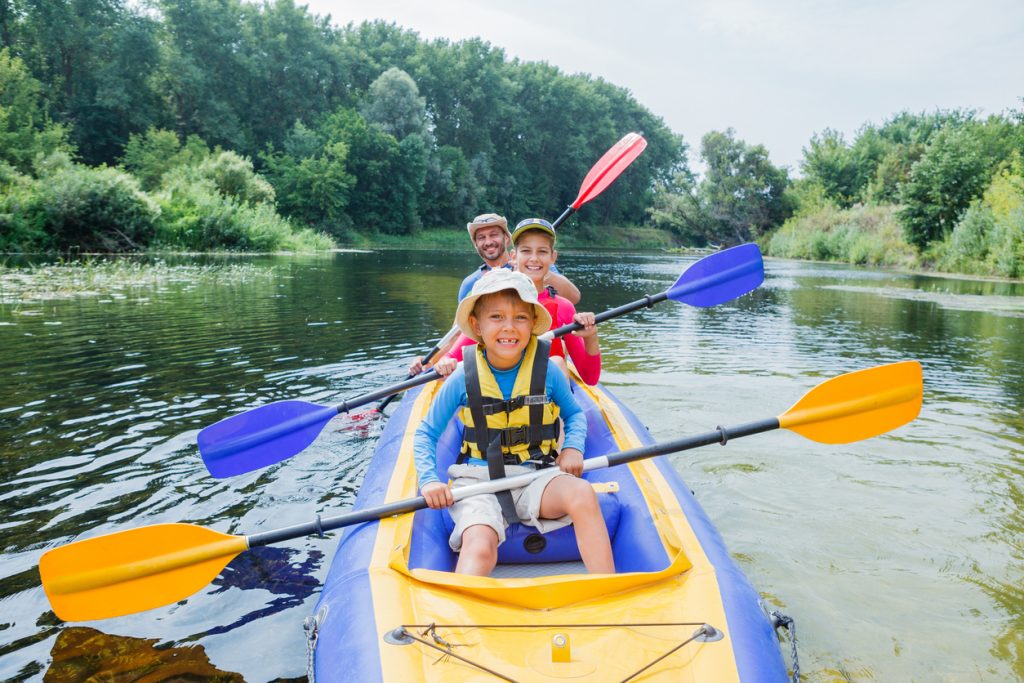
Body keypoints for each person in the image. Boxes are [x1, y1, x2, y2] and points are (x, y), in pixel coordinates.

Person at [413, 270, 613, 577]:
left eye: (520, 317)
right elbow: (426, 433)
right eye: (496, 317)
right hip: (478, 482)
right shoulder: (461, 377)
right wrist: (429, 480)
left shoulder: (547, 370)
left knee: (582, 494)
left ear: (533, 324)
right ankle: (460, 619)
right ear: (477, 326)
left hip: (537, 474)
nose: (509, 327)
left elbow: (573, 415)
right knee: (479, 544)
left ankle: (607, 592)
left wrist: (572, 448)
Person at [432, 218, 601, 386]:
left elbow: (590, 378)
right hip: (498, 397)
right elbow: (451, 357)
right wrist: (445, 364)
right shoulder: (492, 301)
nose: (534, 258)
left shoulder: (564, 307)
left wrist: (591, 337)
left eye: (542, 251)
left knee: (557, 361)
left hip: (543, 401)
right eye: (526, 251)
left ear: (552, 257)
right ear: (513, 256)